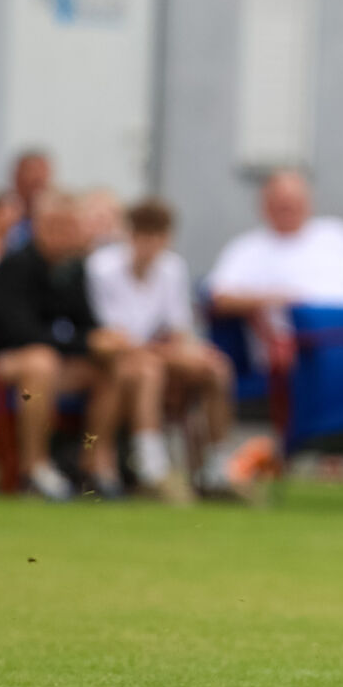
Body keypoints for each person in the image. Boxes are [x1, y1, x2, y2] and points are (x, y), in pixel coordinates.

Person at [0, 190, 172, 501]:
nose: (64, 235)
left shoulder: (73, 271)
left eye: (69, 227)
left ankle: (94, 460)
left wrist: (103, 341)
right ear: (38, 226)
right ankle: (33, 468)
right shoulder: (16, 266)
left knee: (111, 366)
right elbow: (20, 334)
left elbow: (85, 325)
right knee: (40, 362)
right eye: (55, 226)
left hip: (42, 369)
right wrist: (86, 341)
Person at [87, 199, 236, 497]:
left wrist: (189, 355)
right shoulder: (101, 267)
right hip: (115, 361)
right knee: (148, 370)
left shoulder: (173, 267)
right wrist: (167, 352)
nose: (150, 245)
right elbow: (114, 338)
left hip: (156, 353)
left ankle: (216, 468)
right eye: (143, 235)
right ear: (129, 235)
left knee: (216, 368)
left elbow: (178, 331)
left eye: (157, 236)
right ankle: (152, 468)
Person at [206, 170, 343, 318]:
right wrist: (275, 300)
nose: (291, 210)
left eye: (297, 202)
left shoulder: (339, 233)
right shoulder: (246, 248)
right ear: (265, 206)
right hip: (301, 340)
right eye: (283, 205)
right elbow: (220, 298)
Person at [4, 149, 52, 250]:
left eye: (38, 182)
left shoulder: (55, 220)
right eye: (27, 182)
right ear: (16, 178)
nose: (34, 191)